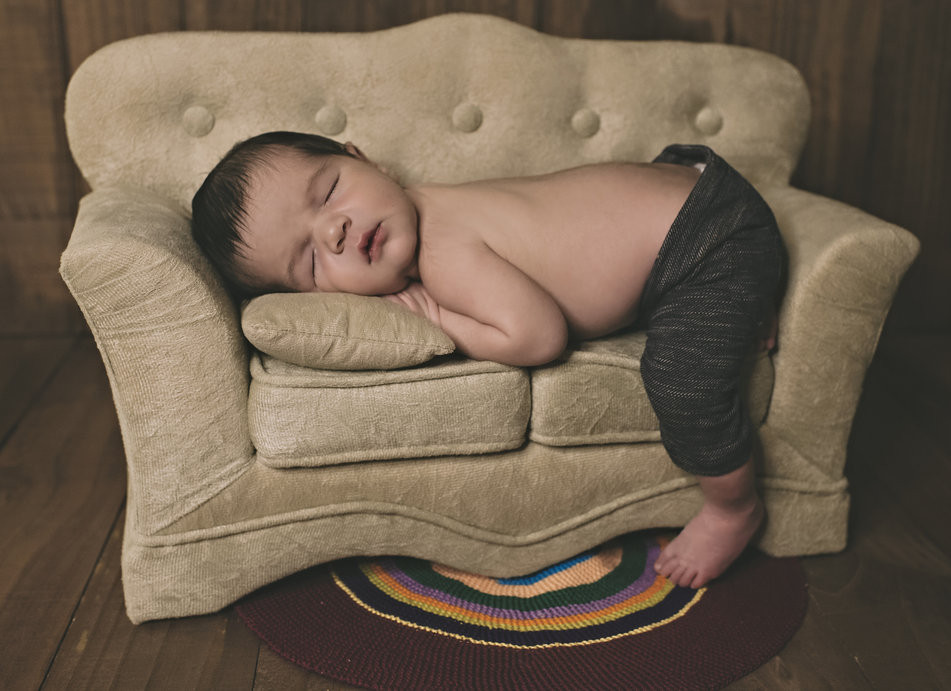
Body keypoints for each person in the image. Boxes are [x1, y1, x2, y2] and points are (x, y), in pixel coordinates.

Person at [192, 131, 783, 588]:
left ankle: (733, 507)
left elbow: (539, 336)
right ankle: (737, 304)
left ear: (365, 157)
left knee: (680, 378)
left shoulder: (446, 254)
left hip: (709, 240)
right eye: (312, 262)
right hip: (690, 185)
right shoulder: (436, 202)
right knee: (666, 294)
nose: (336, 230)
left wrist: (437, 316)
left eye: (328, 192)